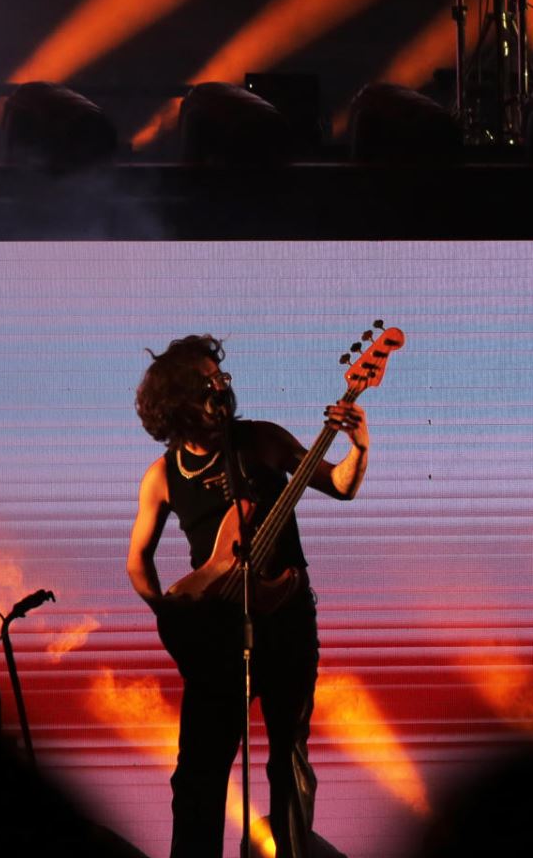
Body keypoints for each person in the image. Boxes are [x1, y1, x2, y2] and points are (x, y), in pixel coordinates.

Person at [126, 334, 370, 858]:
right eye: (206, 381)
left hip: (286, 628)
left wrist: (360, 447)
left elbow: (341, 486)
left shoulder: (261, 440)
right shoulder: (161, 477)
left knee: (288, 762)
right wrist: (169, 612)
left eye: (221, 377)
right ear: (176, 399)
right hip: (214, 636)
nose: (220, 386)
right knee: (198, 774)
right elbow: (137, 560)